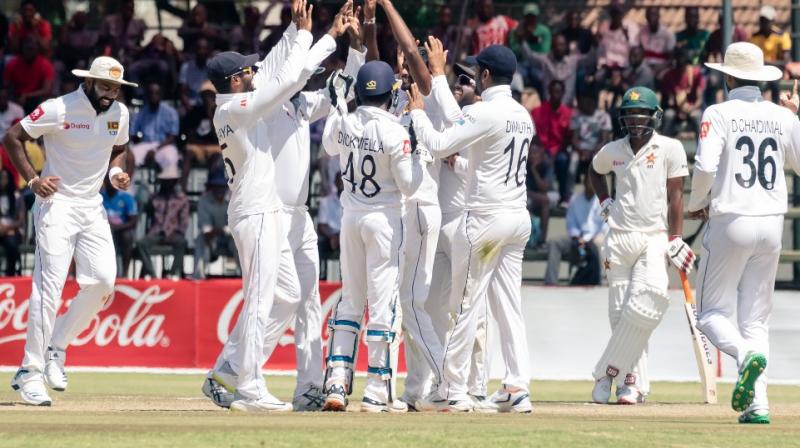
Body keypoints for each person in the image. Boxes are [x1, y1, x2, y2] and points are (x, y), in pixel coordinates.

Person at [202, 0, 316, 413]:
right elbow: (280, 85)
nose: (253, 73)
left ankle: (231, 371)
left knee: (287, 294)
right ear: (234, 82)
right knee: (261, 298)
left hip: (262, 210)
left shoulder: (236, 103)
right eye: (246, 72)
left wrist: (293, 29)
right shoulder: (232, 108)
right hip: (256, 212)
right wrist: (305, 37)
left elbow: (269, 69)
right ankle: (249, 386)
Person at [409, 45, 534, 413]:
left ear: (483, 76)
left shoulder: (484, 112)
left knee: (466, 305)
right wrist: (436, 76)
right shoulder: (522, 114)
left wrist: (418, 114)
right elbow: (462, 123)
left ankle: (454, 389)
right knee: (509, 305)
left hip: (485, 223)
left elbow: (437, 141)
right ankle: (516, 385)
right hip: (517, 220)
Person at [4, 55, 134, 406]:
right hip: (56, 205)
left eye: (116, 88)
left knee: (104, 282)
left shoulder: (120, 114)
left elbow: (119, 148)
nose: (110, 93)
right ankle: (29, 372)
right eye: (105, 85)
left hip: (92, 207)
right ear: (89, 82)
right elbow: (12, 137)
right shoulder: (58, 108)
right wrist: (33, 180)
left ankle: (56, 346)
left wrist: (115, 173)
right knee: (49, 289)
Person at [256, 1, 363, 412]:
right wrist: (328, 35)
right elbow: (296, 70)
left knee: (309, 301)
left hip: (299, 215)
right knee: (276, 297)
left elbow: (346, 88)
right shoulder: (264, 97)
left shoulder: (299, 105)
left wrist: (354, 47)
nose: (308, 82)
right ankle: (234, 370)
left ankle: (307, 388)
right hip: (270, 212)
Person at [689, 42, 800, 424]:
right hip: (772, 222)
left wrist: (696, 201)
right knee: (755, 319)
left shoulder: (718, 112)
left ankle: (742, 356)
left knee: (709, 313)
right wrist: (795, 118)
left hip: (731, 218)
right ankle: (759, 404)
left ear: (729, 76)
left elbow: (704, 166)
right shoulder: (781, 115)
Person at [321, 60, 422, 413]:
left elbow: (329, 145)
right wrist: (417, 145)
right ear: (386, 94)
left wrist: (337, 105)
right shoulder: (395, 131)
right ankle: (376, 387)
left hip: (351, 217)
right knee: (382, 303)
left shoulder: (347, 120)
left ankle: (336, 379)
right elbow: (410, 184)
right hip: (384, 219)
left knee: (351, 299)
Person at [589, 86, 692, 405]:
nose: (635, 120)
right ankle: (630, 383)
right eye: (630, 114)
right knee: (620, 314)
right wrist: (606, 203)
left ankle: (605, 373)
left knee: (648, 302)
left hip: (653, 235)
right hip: (619, 237)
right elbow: (594, 172)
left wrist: (675, 238)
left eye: (641, 114)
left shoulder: (670, 148)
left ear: (654, 116)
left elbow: (676, 197)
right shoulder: (613, 150)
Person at [544, 174, 606, 285]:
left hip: (594, 238)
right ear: (584, 182)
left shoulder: (602, 201)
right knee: (555, 243)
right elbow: (570, 222)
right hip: (576, 238)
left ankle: (598, 282)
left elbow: (605, 226)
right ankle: (550, 283)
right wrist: (577, 237)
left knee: (599, 244)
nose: (591, 184)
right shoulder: (575, 199)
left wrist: (587, 239)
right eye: (589, 181)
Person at [136, 166, 188, 280]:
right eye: (165, 181)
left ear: (174, 182)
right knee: (141, 243)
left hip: (173, 232)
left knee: (182, 242)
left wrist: (179, 232)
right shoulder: (154, 197)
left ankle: (173, 273)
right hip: (156, 232)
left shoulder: (181, 199)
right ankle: (152, 274)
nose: (167, 184)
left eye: (170, 181)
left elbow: (184, 221)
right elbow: (143, 204)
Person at [531, 79, 573, 206]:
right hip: (541, 150)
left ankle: (564, 197)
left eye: (559, 92)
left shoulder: (568, 113)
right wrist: (542, 151)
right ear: (549, 92)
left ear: (563, 93)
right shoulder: (537, 112)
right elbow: (534, 134)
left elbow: (568, 138)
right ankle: (537, 194)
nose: (556, 94)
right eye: (553, 91)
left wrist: (556, 151)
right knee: (536, 159)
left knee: (562, 160)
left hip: (559, 150)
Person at [192, 169, 236, 280]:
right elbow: (205, 227)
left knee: (242, 240)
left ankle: (245, 279)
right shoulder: (204, 200)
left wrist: (223, 230)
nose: (219, 189)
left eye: (222, 185)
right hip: (212, 238)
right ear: (211, 187)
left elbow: (237, 224)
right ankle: (198, 277)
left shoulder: (235, 197)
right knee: (200, 240)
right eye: (216, 186)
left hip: (232, 237)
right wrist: (211, 233)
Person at [129, 83, 180, 172]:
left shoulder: (171, 112)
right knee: (130, 156)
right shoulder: (141, 113)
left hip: (164, 145)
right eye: (151, 93)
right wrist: (137, 144)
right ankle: (128, 185)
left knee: (170, 157)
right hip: (145, 145)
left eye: (157, 93)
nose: (154, 96)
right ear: (147, 95)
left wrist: (155, 149)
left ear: (161, 95)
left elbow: (172, 137)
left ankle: (168, 185)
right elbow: (132, 134)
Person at [659, 47, 705, 138]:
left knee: (697, 116)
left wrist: (690, 108)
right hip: (675, 109)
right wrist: (679, 109)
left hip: (693, 107)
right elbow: (670, 101)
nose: (683, 65)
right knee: (668, 115)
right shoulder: (669, 75)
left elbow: (700, 99)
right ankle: (666, 144)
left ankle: (701, 147)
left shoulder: (696, 74)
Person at [750, 6, 791, 103]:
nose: (763, 23)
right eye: (761, 20)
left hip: (777, 70)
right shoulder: (754, 37)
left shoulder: (782, 36)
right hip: (760, 69)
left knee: (774, 82)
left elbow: (785, 61)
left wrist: (768, 63)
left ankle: (775, 105)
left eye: (766, 20)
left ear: (773, 21)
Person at [3, 37, 54, 113]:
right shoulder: (12, 64)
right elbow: (5, 85)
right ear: (22, 49)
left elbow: (46, 90)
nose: (29, 52)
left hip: (36, 99)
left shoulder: (45, 65)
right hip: (15, 98)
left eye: (32, 49)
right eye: (27, 48)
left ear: (37, 49)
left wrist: (26, 95)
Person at [570, 88, 612, 179]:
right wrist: (581, 151)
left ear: (593, 101)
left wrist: (593, 151)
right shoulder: (576, 116)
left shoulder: (603, 116)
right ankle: (569, 190)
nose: (583, 103)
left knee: (597, 160)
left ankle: (598, 189)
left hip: (597, 149)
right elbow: (574, 138)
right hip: (580, 149)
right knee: (573, 160)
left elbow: (604, 139)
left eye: (586, 100)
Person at [101, 174, 137, 278]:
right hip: (103, 230)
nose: (111, 184)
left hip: (121, 230)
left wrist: (117, 228)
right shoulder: (99, 197)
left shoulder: (126, 197)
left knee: (127, 236)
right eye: (108, 181)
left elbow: (133, 221)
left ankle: (125, 273)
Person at [100, 0, 146, 65]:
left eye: (131, 8)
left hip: (132, 56)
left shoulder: (139, 24)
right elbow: (102, 40)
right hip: (112, 55)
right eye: (126, 8)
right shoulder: (109, 21)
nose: (128, 11)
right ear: (121, 8)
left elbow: (139, 43)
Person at [0, 168, 25, 275]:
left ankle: (10, 274)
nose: (3, 180)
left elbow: (20, 220)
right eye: (1, 178)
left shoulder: (17, 197)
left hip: (13, 230)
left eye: (5, 178)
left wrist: (8, 228)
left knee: (12, 244)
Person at [638, 7, 675, 75]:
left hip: (662, 67)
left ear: (658, 16)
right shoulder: (642, 32)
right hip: (646, 67)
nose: (651, 17)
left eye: (654, 14)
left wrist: (659, 68)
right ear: (646, 17)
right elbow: (640, 53)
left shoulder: (667, 34)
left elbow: (671, 59)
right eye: (649, 15)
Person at [178, 37, 210, 111]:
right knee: (181, 112)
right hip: (191, 103)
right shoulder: (186, 67)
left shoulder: (213, 66)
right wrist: (188, 106)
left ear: (208, 51)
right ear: (195, 50)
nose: (201, 52)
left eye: (204, 49)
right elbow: (183, 93)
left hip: (208, 103)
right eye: (199, 48)